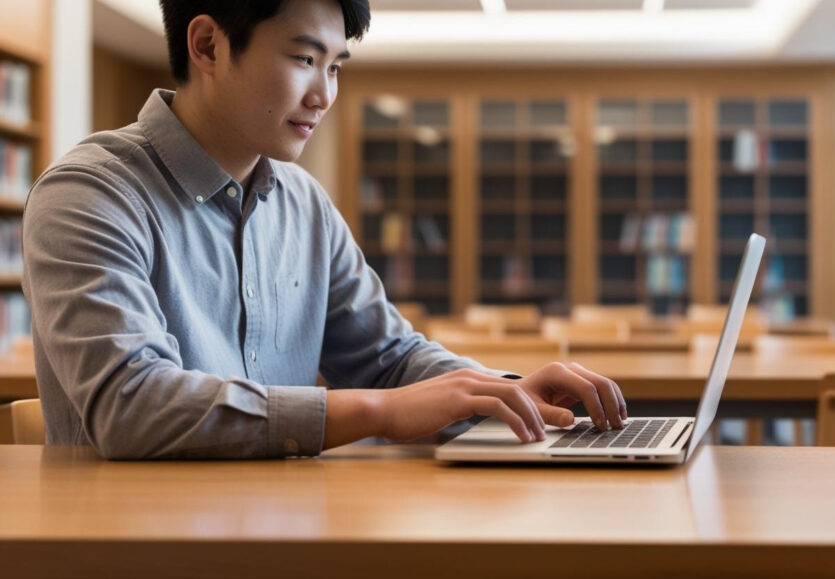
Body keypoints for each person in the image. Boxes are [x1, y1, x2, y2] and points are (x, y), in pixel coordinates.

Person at [21, 0, 627, 459]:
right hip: (127, 544)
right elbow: (132, 406)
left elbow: (388, 359)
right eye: (305, 59)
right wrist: (379, 413)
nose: (324, 94)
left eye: (335, 66)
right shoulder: (88, 196)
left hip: (287, 529)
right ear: (207, 46)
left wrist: (504, 391)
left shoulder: (304, 204)